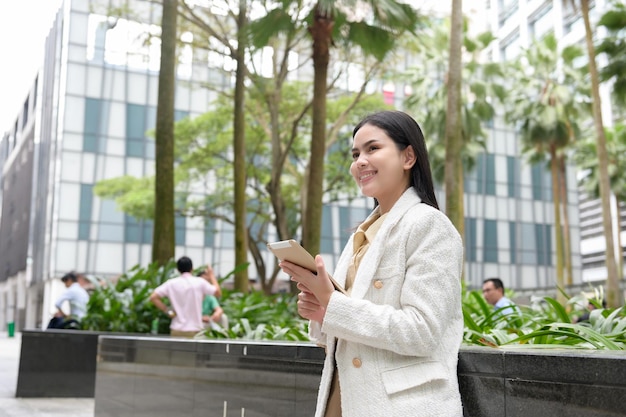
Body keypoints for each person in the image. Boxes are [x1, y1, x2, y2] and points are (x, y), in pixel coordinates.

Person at [279, 111, 464, 416]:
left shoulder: (430, 226)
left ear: (408, 157)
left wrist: (332, 302)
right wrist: (321, 311)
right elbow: (343, 333)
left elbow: (423, 331)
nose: (359, 162)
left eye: (372, 149)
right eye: (355, 154)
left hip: (402, 407)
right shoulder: (361, 235)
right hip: (344, 400)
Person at [149, 256, 221, 338]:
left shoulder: (171, 283)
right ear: (192, 268)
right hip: (195, 330)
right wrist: (211, 275)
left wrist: (168, 311)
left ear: (178, 269)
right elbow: (218, 293)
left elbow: (153, 297)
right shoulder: (199, 282)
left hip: (176, 329)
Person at [199, 265, 228, 330]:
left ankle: (225, 337)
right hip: (194, 323)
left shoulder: (209, 297)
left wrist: (216, 314)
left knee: (223, 317)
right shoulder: (192, 295)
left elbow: (219, 309)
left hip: (207, 322)